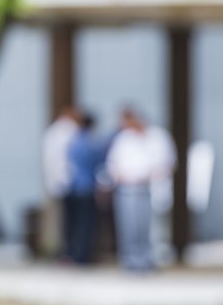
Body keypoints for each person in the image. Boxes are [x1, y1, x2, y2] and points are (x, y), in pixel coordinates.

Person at [106, 108, 176, 273]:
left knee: (149, 227)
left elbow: (169, 163)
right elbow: (112, 165)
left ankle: (147, 260)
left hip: (151, 188)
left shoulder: (158, 136)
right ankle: (130, 261)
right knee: (128, 226)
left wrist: (151, 175)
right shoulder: (123, 139)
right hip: (127, 188)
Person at [64, 113, 106, 264]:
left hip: (73, 186)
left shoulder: (73, 142)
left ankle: (73, 253)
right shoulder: (93, 143)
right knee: (86, 224)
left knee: (73, 223)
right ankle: (83, 255)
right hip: (88, 187)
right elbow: (100, 164)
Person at [41, 106, 80, 258]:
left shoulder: (52, 133)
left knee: (61, 222)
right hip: (67, 184)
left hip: (58, 183)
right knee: (68, 222)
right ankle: (67, 252)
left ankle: (61, 251)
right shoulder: (68, 131)